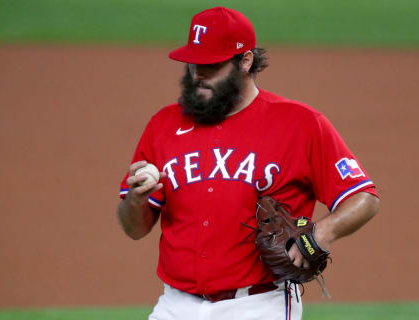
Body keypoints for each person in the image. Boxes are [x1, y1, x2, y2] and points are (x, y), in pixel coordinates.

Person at [117, 6, 379, 320]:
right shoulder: (163, 124)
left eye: (211, 66)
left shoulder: (301, 124)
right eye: (193, 64)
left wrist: (321, 234)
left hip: (258, 306)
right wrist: (135, 200)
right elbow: (135, 229)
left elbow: (363, 198)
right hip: (175, 305)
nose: (198, 75)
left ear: (245, 61)